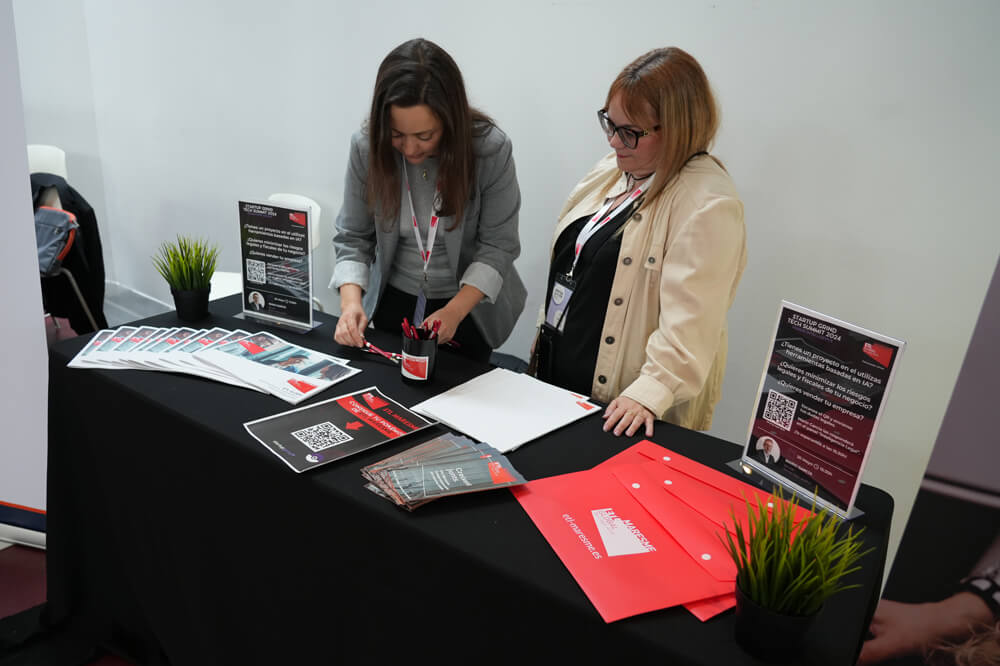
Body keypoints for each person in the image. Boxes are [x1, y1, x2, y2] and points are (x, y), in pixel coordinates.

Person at [532, 47, 746, 438]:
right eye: (609, 124)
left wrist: (648, 394)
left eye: (630, 132)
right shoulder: (614, 171)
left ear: (679, 127)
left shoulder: (707, 204)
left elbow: (690, 329)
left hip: (621, 410)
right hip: (559, 384)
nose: (614, 141)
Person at [332, 38, 526, 364]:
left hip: (468, 308)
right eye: (397, 135)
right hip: (394, 304)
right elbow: (353, 237)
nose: (410, 150)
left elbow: (498, 246)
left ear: (450, 122)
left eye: (425, 136)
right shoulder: (367, 148)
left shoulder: (489, 150)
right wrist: (351, 304)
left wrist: (454, 312)